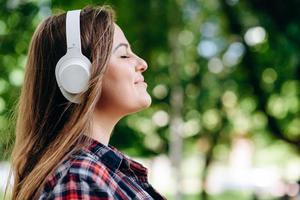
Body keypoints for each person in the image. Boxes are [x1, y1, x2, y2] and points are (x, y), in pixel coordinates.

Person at [9, 5, 166, 200]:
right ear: (76, 76)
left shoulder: (98, 172)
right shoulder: (81, 179)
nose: (142, 63)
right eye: (124, 55)